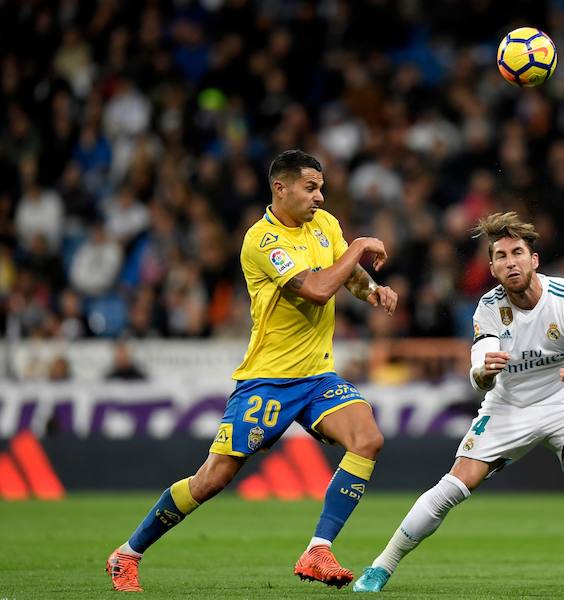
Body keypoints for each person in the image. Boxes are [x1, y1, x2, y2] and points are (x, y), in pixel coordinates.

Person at [106, 150, 398, 592]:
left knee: (368, 439)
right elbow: (319, 289)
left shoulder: (327, 226)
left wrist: (373, 290)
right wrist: (359, 245)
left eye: (321, 187)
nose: (320, 196)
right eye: (310, 187)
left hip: (318, 377)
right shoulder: (262, 242)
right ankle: (127, 554)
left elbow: (348, 276)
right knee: (213, 479)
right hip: (268, 379)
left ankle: (318, 549)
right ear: (280, 188)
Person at [352, 212, 564, 594]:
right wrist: (483, 373)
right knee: (454, 486)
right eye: (500, 256)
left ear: (534, 260)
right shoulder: (489, 306)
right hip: (508, 406)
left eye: (517, 252)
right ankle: (381, 565)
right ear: (493, 268)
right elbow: (479, 367)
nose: (510, 261)